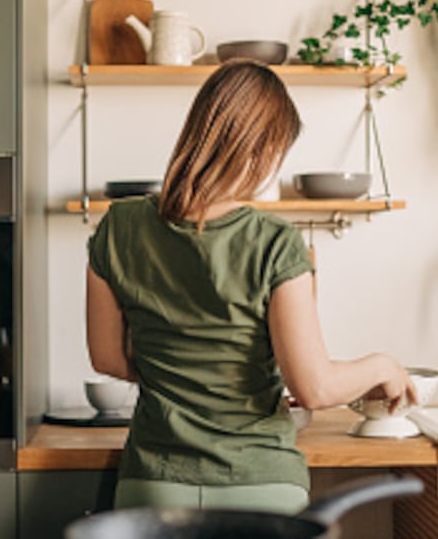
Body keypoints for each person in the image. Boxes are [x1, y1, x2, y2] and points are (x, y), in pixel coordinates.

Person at [86, 59, 417, 514]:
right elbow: (315, 388)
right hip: (260, 484)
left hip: (154, 483)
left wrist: (181, 367)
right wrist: (385, 366)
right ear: (261, 152)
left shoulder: (118, 226)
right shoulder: (276, 243)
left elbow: (106, 358)